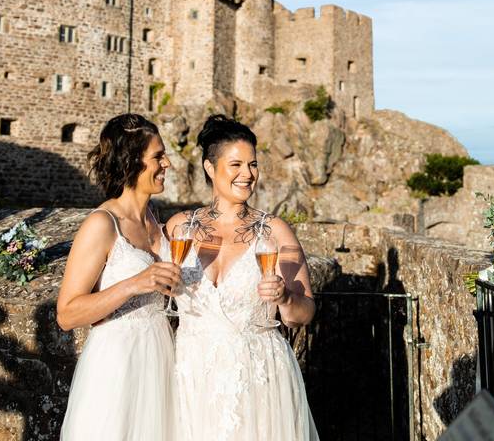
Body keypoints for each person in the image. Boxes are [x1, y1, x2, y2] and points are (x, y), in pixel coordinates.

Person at [170, 114, 319, 440]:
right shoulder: (180, 228)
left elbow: (303, 312)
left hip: (259, 378)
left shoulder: (276, 231)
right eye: (235, 164)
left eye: (252, 165)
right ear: (210, 168)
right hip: (192, 376)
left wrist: (284, 297)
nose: (247, 174)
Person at [56, 114, 181, 440]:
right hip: (117, 364)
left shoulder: (157, 221)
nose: (167, 163)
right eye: (157, 156)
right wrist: (134, 284)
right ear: (130, 162)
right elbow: (67, 313)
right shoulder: (102, 223)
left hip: (160, 358)